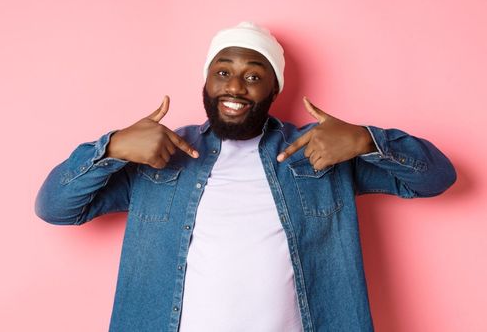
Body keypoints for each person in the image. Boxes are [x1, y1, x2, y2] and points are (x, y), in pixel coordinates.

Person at [34, 22, 456, 331]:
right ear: (206, 80)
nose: (235, 86)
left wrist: (366, 140)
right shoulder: (161, 152)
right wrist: (110, 149)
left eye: (254, 75)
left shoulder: (320, 149)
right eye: (223, 72)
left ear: (274, 89)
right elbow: (55, 208)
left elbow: (437, 178)